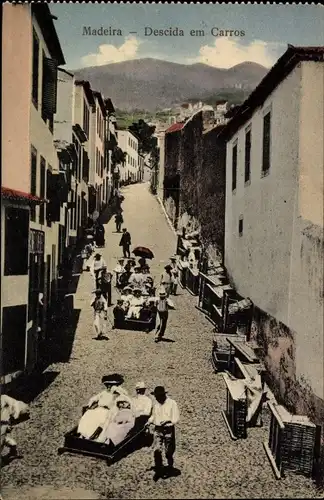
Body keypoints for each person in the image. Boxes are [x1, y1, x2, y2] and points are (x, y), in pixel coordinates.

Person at [148, 386, 180, 480]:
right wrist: (149, 421)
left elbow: (175, 418)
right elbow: (153, 416)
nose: (157, 398)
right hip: (158, 430)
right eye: (156, 397)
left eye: (159, 396)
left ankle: (170, 467)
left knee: (168, 452)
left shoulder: (172, 403)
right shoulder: (156, 404)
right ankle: (159, 469)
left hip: (168, 430)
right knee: (157, 450)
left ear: (163, 395)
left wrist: (167, 421)